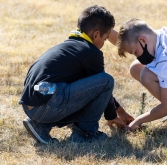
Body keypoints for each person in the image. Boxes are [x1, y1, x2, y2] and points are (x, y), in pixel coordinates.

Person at [19, 5, 134, 144]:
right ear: (96, 34)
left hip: (31, 105)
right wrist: (112, 115)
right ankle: (84, 133)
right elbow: (104, 88)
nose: (104, 43)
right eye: (105, 39)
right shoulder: (91, 52)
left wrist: (119, 111)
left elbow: (91, 92)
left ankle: (41, 126)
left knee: (83, 88)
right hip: (46, 104)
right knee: (107, 81)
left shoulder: (70, 46)